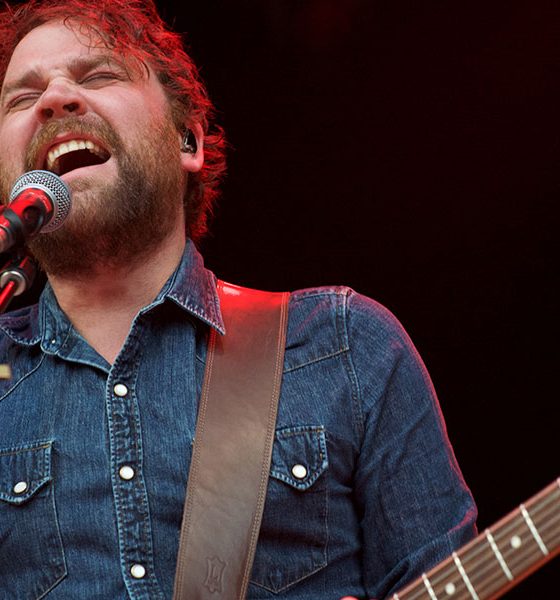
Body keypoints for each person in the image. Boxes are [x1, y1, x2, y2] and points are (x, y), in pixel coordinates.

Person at [0, 1, 477, 598]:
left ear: (187, 139)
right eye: (22, 98)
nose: (54, 99)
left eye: (99, 76)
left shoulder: (344, 346)